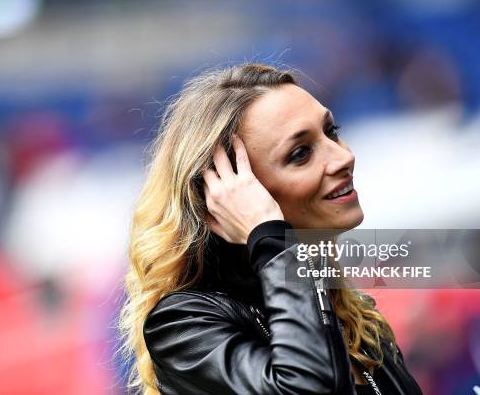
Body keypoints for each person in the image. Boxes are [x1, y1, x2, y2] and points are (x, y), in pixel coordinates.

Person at [119, 63, 423, 394]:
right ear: (229, 194)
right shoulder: (184, 327)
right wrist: (269, 235)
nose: (342, 157)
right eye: (300, 153)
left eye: (332, 131)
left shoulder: (356, 319)